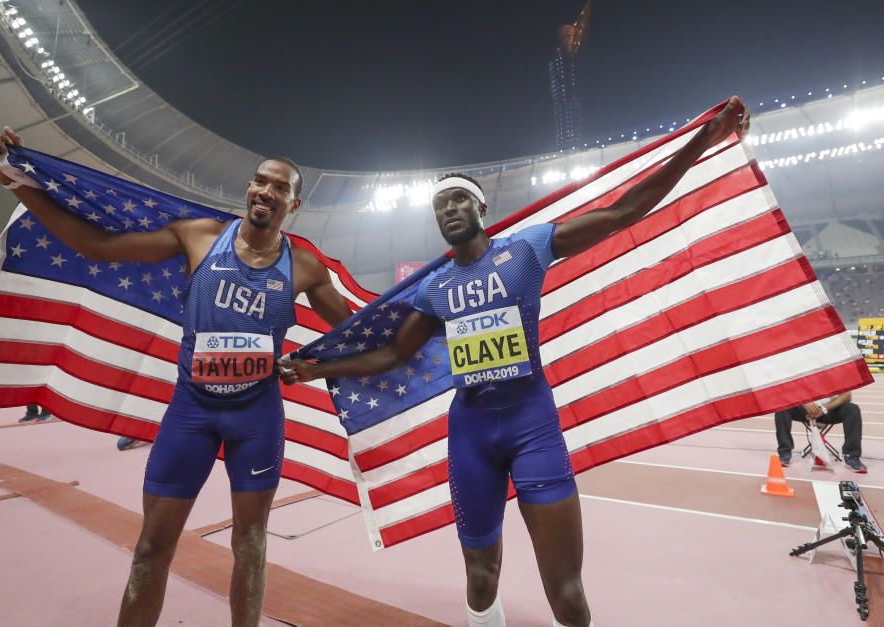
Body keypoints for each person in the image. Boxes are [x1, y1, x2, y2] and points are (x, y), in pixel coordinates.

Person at [280, 97, 751, 626]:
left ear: (480, 209)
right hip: (471, 432)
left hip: (532, 427)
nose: (449, 209)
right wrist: (315, 369)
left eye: (459, 200)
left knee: (566, 591)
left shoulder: (526, 249)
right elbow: (393, 353)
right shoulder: (434, 289)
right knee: (480, 578)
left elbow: (622, 213)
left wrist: (699, 143)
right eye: (441, 205)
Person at [0, 128, 353, 626]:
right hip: (192, 411)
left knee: (252, 545)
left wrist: (311, 366)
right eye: (260, 181)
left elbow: (354, 333)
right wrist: (11, 180)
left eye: (279, 187)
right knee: (152, 545)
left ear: (293, 204)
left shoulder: (305, 268)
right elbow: (96, 246)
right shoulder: (199, 236)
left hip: (257, 417)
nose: (266, 191)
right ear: (249, 189)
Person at [775, 391, 866, 472]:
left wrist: (824, 408)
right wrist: (805, 403)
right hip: (805, 408)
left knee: (853, 409)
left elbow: (847, 395)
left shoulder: (835, 373)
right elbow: (789, 392)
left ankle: (852, 456)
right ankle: (785, 452)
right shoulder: (802, 372)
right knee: (781, 407)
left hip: (830, 409)